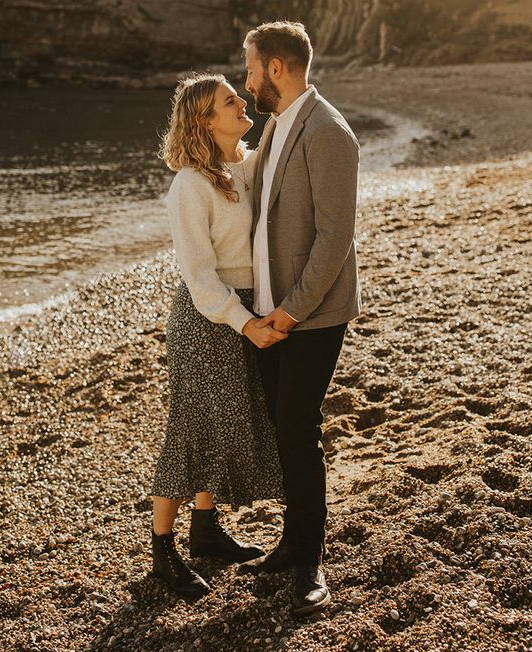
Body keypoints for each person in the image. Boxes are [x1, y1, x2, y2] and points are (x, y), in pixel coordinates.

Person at [238, 22, 361, 618]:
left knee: (298, 430)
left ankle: (309, 560)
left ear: (278, 68)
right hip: (268, 311)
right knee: (284, 430)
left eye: (251, 68)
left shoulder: (329, 131)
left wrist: (290, 310)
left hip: (309, 314)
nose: (247, 79)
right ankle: (291, 542)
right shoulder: (276, 125)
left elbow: (336, 238)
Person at [150, 74, 287, 598]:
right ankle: (162, 551)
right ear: (206, 121)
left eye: (237, 93)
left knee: (219, 425)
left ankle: (205, 533)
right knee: (190, 430)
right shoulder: (189, 185)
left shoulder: (243, 167)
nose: (241, 102)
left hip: (242, 313)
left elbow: (283, 134)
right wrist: (244, 321)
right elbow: (199, 273)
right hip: (206, 319)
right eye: (229, 101)